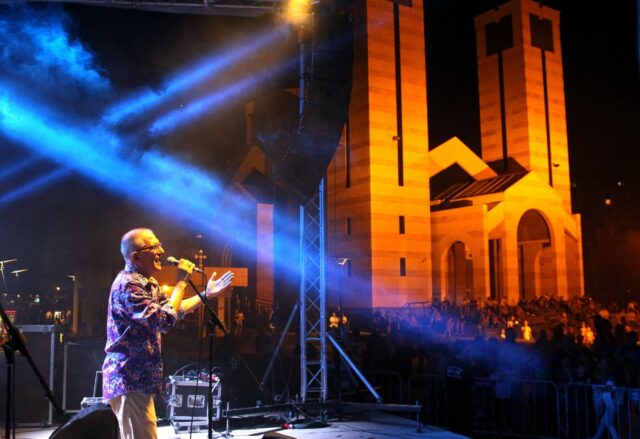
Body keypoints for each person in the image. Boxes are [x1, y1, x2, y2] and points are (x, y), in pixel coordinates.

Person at [102, 228, 233, 439]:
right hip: (129, 380)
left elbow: (175, 309)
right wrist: (181, 282)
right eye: (154, 246)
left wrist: (206, 294)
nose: (161, 251)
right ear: (136, 257)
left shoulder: (148, 283)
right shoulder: (128, 286)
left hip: (139, 381)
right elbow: (163, 320)